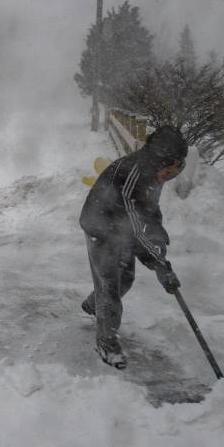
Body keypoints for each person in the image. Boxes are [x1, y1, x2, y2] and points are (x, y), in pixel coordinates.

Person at [79, 125, 188, 369]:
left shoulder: (154, 173)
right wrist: (161, 266)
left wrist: (158, 238)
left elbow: (149, 210)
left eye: (175, 172)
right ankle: (106, 343)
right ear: (158, 160)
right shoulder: (132, 175)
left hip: (120, 228)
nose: (169, 176)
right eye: (168, 170)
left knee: (125, 279)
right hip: (100, 228)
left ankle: (91, 305)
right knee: (110, 287)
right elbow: (136, 227)